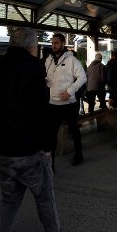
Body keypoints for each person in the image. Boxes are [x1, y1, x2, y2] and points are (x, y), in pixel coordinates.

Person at [0, 28, 79, 232]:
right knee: (44, 194)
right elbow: (40, 113)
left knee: (10, 199)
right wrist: (47, 146)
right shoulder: (33, 68)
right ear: (31, 47)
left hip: (2, 149)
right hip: (28, 150)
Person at [45, 33, 87, 166]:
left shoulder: (71, 60)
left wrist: (70, 91)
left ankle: (79, 154)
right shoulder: (48, 60)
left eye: (56, 43)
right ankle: (50, 164)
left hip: (69, 103)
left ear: (63, 43)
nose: (54, 45)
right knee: (52, 133)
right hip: (53, 103)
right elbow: (48, 77)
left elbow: (82, 77)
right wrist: (47, 82)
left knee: (74, 130)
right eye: (52, 43)